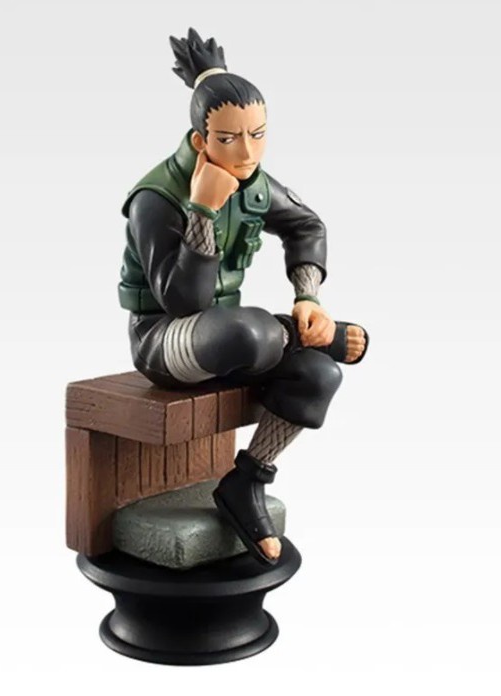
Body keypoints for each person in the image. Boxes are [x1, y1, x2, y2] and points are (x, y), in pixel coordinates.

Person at [119, 28, 368, 565]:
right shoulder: (155, 199)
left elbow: (306, 224)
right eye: (229, 138)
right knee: (251, 332)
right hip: (165, 342)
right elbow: (185, 304)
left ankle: (246, 482)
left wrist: (308, 298)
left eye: (258, 134)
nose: (248, 152)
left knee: (318, 375)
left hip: (230, 337)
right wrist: (203, 210)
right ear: (199, 141)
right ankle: (297, 335)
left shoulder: (253, 180)